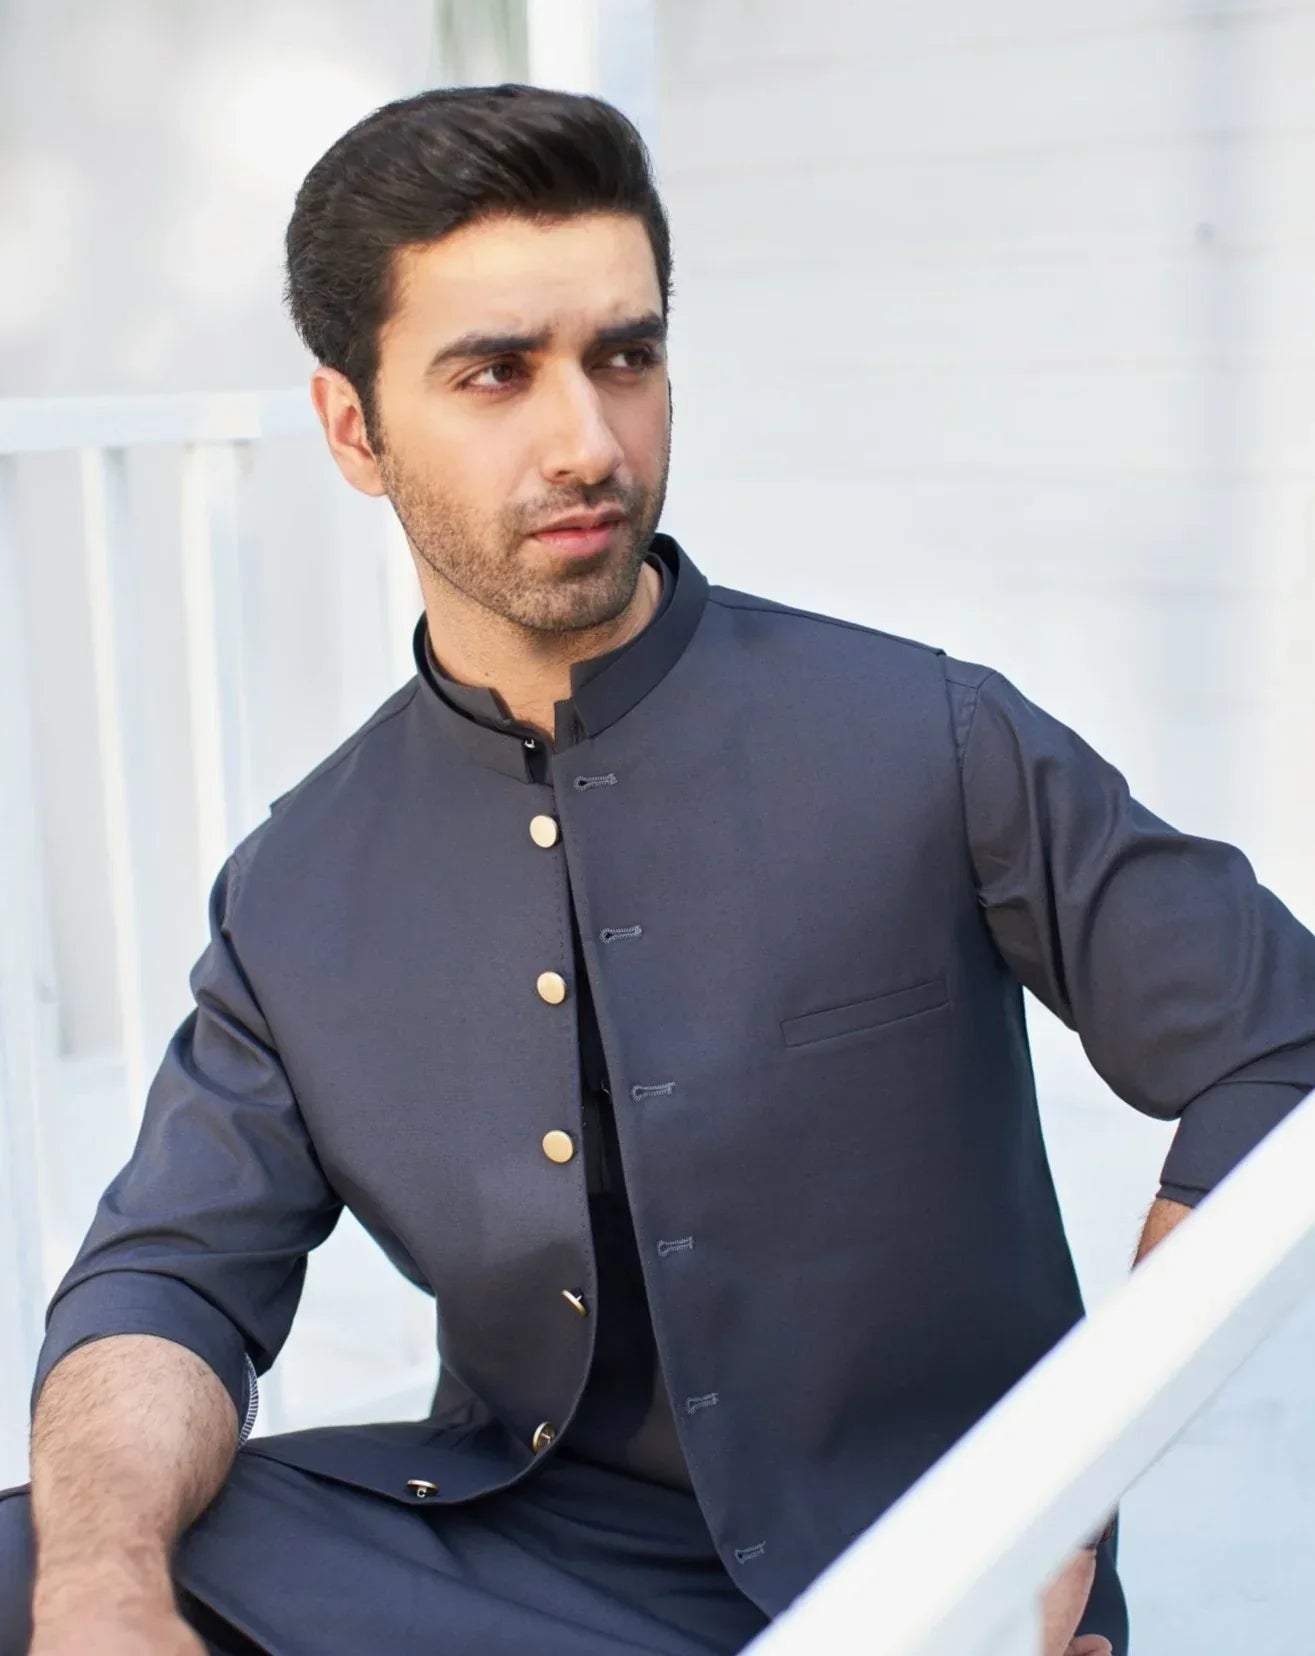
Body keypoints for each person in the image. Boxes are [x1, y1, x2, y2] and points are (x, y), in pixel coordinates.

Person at [3, 83, 1313, 1656]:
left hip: (931, 1563)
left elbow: (1275, 1042)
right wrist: (96, 1591)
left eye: (624, 356)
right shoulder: (300, 884)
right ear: (352, 428)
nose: (588, 439)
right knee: (39, 1558)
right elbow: (167, 1287)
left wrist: (1058, 1498)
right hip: (513, 1553)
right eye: (497, 372)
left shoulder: (926, 734)